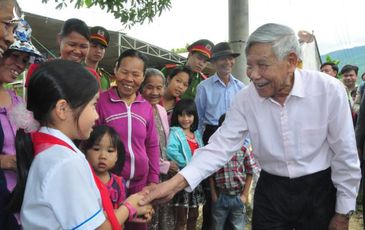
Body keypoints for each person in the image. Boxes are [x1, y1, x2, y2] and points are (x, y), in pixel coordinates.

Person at [140, 23, 361, 230]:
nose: (253, 75)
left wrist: (343, 211)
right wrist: (174, 185)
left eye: (262, 65)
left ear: (291, 61)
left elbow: (345, 154)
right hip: (271, 190)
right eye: (250, 66)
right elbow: (220, 147)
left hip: (319, 190)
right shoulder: (246, 98)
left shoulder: (328, 91)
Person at [7, 60, 153, 229]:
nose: (96, 115)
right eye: (93, 105)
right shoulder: (67, 162)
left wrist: (123, 212)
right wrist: (129, 207)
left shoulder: (51, 150)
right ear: (62, 109)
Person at [96, 49, 160, 230]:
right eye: (124, 72)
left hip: (140, 184)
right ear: (115, 70)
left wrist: (153, 180)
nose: (129, 79)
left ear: (142, 77)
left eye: (136, 74)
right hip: (110, 184)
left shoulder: (146, 107)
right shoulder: (101, 101)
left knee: (138, 226)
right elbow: (91, 142)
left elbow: (152, 144)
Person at [194, 41, 245, 228]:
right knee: (211, 192)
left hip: (235, 138)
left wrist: (245, 144)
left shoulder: (241, 88)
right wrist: (201, 147)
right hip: (211, 136)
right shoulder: (204, 87)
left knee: (234, 187)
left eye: (230, 58)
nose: (227, 62)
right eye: (223, 58)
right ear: (214, 62)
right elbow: (198, 120)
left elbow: (246, 120)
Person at [0, 18, 43, 229]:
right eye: (14, 56)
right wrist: (4, 162)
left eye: (25, 60)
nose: (19, 64)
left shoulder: (17, 101)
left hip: (15, 199)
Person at [140, 68, 177, 230]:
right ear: (141, 87)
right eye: (149, 87)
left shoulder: (161, 110)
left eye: (159, 87)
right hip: (148, 175)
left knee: (164, 218)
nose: (155, 92)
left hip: (164, 176)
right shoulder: (139, 109)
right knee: (147, 217)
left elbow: (164, 142)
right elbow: (142, 148)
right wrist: (166, 166)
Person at [209, 114, 256, 230]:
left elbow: (251, 171)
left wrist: (244, 195)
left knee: (238, 227)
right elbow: (210, 173)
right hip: (221, 196)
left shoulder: (243, 149)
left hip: (238, 197)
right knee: (217, 226)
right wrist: (214, 194)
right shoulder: (215, 150)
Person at [166, 99, 205, 230]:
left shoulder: (197, 135)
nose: (185, 119)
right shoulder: (175, 132)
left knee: (194, 215)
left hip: (196, 182)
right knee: (181, 217)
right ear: (176, 116)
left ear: (194, 116)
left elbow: (202, 153)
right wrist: (188, 164)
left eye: (189, 115)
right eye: (181, 115)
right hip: (182, 180)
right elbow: (171, 151)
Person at [25, 18, 91, 87]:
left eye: (83, 46)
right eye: (72, 45)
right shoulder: (38, 68)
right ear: (60, 39)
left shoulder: (91, 76)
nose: (77, 51)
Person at [80, 125, 126, 210]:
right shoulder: (82, 181)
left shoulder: (119, 183)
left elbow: (122, 212)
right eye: (96, 149)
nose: (103, 156)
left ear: (117, 156)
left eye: (110, 151)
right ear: (85, 152)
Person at [85, 26, 113, 91]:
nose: (98, 51)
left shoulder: (104, 77)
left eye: (102, 48)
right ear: (86, 46)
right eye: (94, 46)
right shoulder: (76, 70)